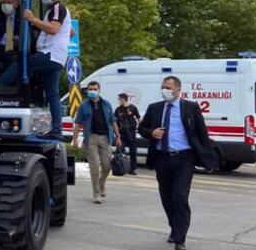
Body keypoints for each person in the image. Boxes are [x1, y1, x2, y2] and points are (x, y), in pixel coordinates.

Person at [138, 76, 217, 250]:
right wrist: (152, 133)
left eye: (168, 87)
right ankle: (175, 228)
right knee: (166, 197)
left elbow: (202, 133)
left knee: (179, 197)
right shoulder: (155, 108)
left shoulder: (190, 107)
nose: (164, 90)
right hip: (162, 158)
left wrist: (209, 157)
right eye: (163, 87)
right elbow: (141, 128)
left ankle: (180, 238)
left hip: (184, 159)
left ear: (178, 90)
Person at [0, 0, 71, 139]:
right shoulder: (54, 11)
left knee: (21, 63)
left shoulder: (58, 7)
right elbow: (68, 31)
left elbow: (54, 29)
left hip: (50, 54)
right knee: (52, 93)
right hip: (56, 58)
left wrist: (33, 19)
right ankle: (57, 130)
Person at [72, 81, 122, 204]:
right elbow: (78, 123)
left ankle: (101, 183)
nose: (92, 91)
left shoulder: (106, 104)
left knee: (107, 165)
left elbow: (113, 121)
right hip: (91, 138)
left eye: (94, 89)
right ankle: (96, 193)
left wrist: (118, 136)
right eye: (90, 89)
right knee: (94, 167)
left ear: (99, 90)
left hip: (105, 137)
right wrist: (75, 139)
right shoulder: (83, 105)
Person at [114, 93, 141, 175]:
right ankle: (120, 167)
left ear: (124, 99)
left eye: (120, 99)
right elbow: (114, 120)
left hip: (131, 132)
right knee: (120, 150)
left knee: (133, 151)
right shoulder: (118, 109)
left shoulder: (132, 108)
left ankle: (132, 169)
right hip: (122, 133)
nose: (119, 100)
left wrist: (141, 127)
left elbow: (138, 118)